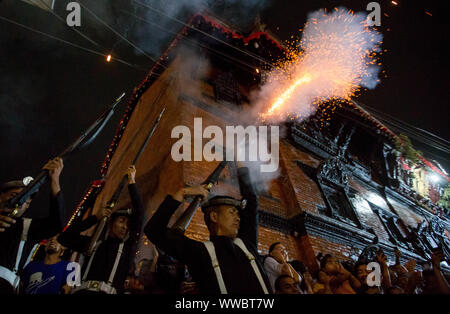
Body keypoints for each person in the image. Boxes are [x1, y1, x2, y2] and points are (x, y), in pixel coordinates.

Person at [144, 162, 272, 294]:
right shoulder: (200, 253)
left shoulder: (247, 243)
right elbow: (153, 230)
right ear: (214, 217)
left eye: (238, 213)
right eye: (232, 212)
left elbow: (251, 201)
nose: (238, 218)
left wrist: (239, 161)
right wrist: (182, 193)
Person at [57, 165, 144, 294]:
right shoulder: (93, 244)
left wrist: (131, 182)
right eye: (121, 221)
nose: (125, 227)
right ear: (111, 223)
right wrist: (96, 217)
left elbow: (140, 214)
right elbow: (64, 237)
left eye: (128, 224)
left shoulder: (127, 249)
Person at [0, 157, 65, 293]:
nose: (18, 202)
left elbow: (56, 224)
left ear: (27, 205)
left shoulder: (26, 227)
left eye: (25, 200)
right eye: (13, 195)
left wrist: (54, 180)